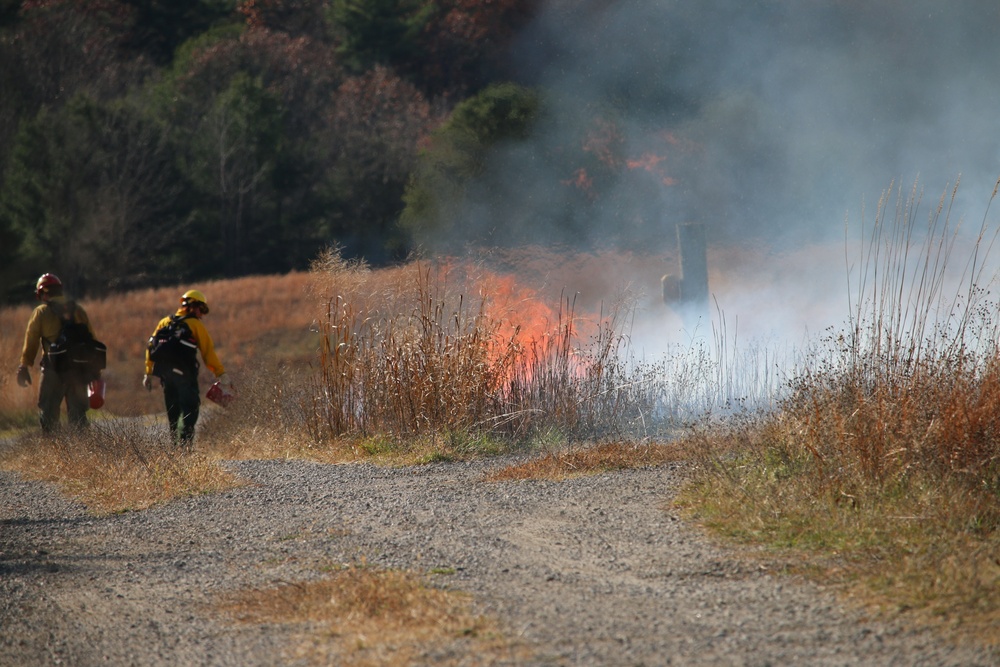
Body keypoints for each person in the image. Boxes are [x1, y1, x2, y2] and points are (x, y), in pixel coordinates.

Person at [143, 289, 229, 448]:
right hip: (185, 377)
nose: (202, 314)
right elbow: (208, 352)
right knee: (190, 410)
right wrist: (220, 373)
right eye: (201, 309)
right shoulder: (195, 325)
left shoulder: (164, 322)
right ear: (193, 306)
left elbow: (150, 347)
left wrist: (148, 373)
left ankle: (175, 448)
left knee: (173, 413)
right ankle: (184, 449)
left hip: (166, 378)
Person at [17, 273, 96, 432]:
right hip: (78, 370)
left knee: (48, 415)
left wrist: (24, 366)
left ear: (42, 293)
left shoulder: (41, 312)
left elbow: (31, 341)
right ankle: (84, 452)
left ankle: (55, 452)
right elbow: (92, 340)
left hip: (53, 369)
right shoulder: (78, 309)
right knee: (78, 416)